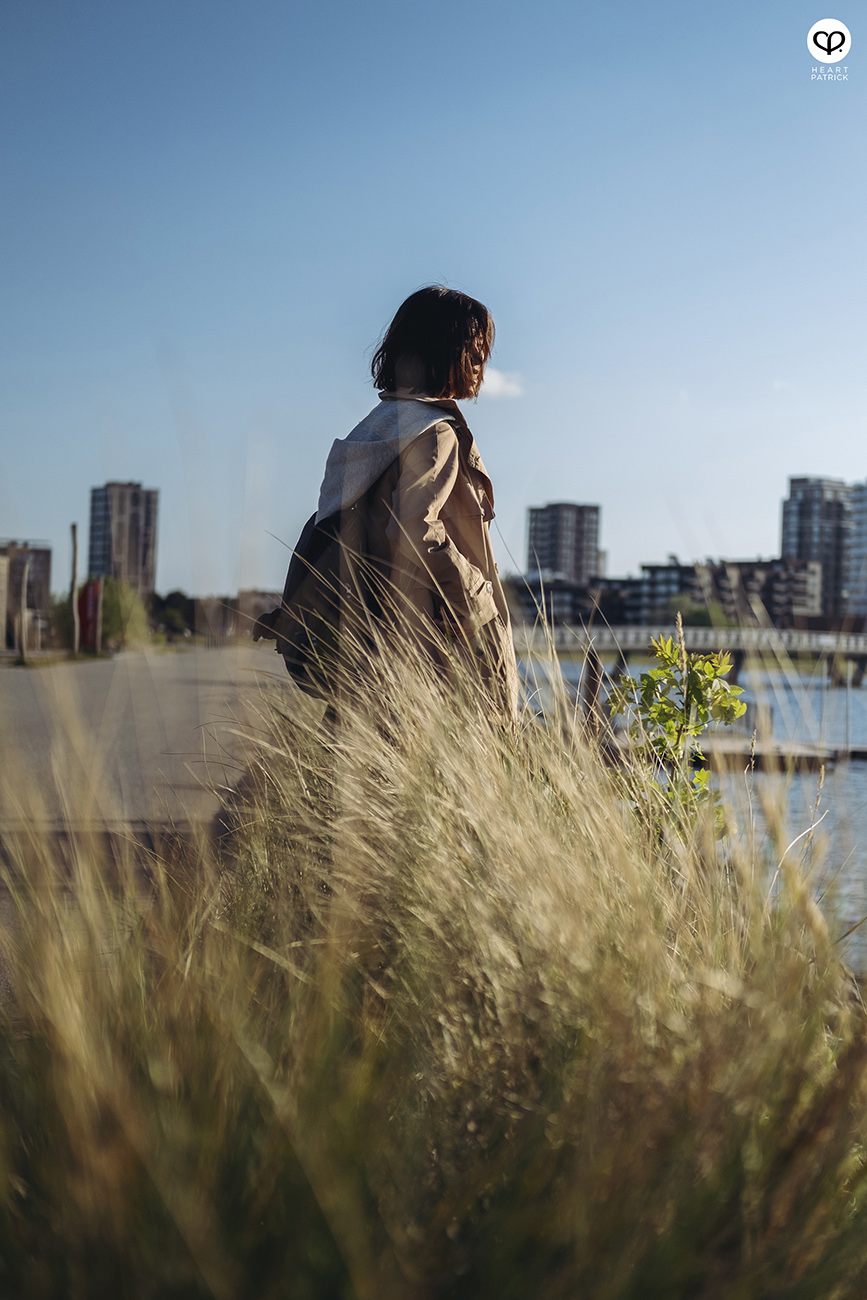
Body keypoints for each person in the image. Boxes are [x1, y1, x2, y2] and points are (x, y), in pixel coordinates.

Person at [256, 285, 519, 720]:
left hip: (373, 647)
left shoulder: (374, 429)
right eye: (474, 352)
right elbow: (417, 529)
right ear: (444, 352)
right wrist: (477, 603)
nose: (481, 366)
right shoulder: (436, 432)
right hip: (427, 651)